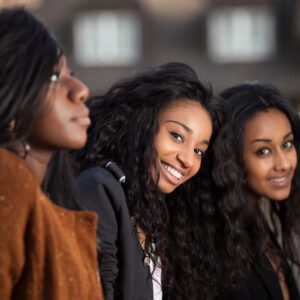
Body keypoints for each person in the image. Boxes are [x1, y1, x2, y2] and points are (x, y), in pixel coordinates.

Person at [73, 63, 219, 300]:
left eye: (199, 151)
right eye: (177, 136)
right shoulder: (100, 188)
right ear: (141, 123)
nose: (187, 159)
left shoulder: (150, 213)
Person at [0, 7, 103, 299]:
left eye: (70, 73)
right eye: (54, 77)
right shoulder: (7, 178)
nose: (81, 90)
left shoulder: (49, 202)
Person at [212, 82, 300, 299]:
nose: (284, 164)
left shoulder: (255, 225)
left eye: (287, 144)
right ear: (230, 158)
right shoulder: (216, 242)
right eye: (263, 151)